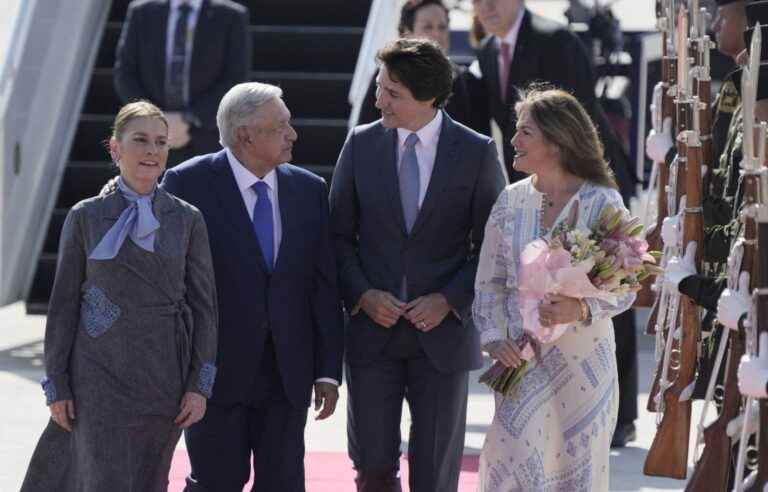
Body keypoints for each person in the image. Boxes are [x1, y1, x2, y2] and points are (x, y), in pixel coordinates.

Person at [330, 38, 505, 491]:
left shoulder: (477, 152)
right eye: (380, 87)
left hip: (442, 341)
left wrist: (449, 300)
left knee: (433, 475)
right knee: (372, 469)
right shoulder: (360, 144)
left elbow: (493, 244)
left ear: (428, 98)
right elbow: (336, 236)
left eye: (392, 94)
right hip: (372, 337)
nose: (378, 100)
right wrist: (363, 295)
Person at [21, 101, 218, 491]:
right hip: (96, 375)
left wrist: (200, 385)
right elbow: (62, 308)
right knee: (101, 479)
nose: (152, 151)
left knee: (149, 481)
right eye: (140, 140)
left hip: (163, 377)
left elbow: (205, 309)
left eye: (160, 142)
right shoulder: (85, 216)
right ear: (115, 149)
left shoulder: (187, 219)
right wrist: (56, 384)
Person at [161, 82, 343, 492]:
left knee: (283, 483)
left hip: (287, 373)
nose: (293, 134)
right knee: (216, 482)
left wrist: (328, 372)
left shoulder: (308, 190)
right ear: (245, 135)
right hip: (215, 375)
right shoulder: (187, 184)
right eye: (281, 126)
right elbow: (172, 285)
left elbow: (323, 286)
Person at [472, 0, 639, 446]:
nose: (484, 6)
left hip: (587, 176)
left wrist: (575, 186)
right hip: (537, 180)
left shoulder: (556, 39)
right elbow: (493, 281)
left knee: (594, 282)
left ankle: (621, 418)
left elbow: (575, 116)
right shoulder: (487, 53)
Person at [114, 0, 251, 166]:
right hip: (148, 138)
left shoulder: (231, 16)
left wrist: (189, 118)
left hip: (209, 139)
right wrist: (155, 119)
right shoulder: (141, 12)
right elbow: (125, 73)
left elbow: (235, 79)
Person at [358, 0, 489, 135]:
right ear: (407, 32)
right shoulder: (386, 78)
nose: (437, 34)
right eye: (427, 27)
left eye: (442, 27)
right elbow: (365, 138)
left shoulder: (468, 83)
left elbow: (481, 145)